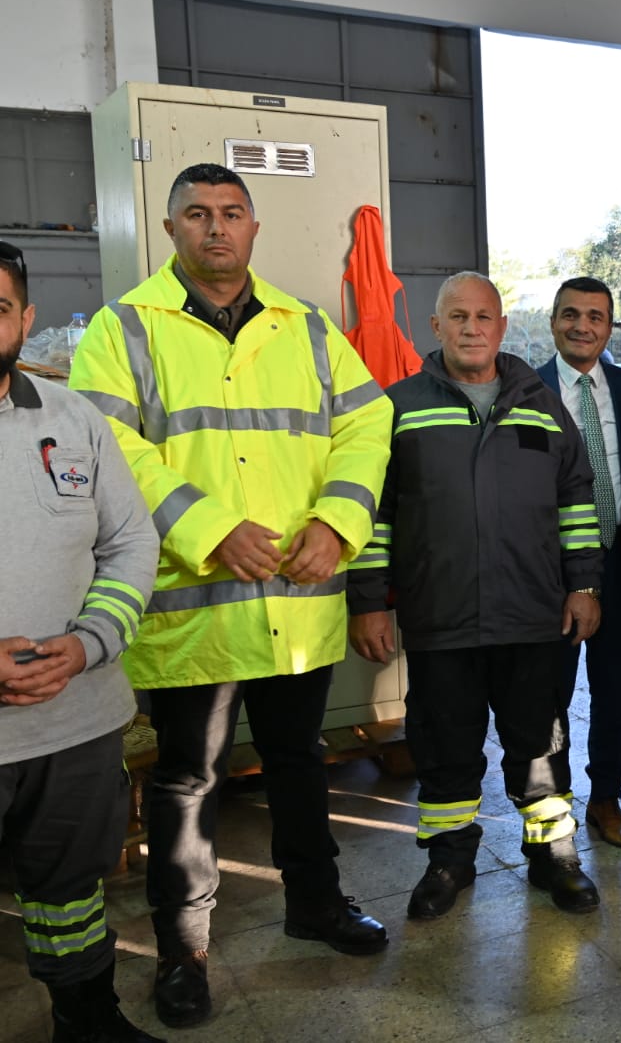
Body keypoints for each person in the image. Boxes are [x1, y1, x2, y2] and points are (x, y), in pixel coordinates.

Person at [68, 163, 394, 1029]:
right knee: (187, 781)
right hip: (195, 608)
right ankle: (184, 951)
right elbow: (108, 441)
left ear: (254, 227)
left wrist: (337, 521)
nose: (217, 228)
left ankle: (315, 904)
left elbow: (367, 421)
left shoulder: (306, 325)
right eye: (198, 214)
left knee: (299, 759)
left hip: (295, 601)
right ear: (171, 229)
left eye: (233, 213)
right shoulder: (124, 326)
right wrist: (208, 526)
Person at [348, 272, 604, 916]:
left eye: (483, 317)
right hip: (442, 616)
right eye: (457, 317)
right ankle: (449, 859)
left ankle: (553, 855)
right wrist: (369, 600)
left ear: (502, 326)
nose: (471, 328)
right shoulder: (397, 407)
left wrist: (583, 584)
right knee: (444, 743)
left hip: (532, 614)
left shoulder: (542, 404)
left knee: (540, 741)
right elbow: (375, 514)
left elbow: (575, 499)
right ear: (435, 326)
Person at [0, 242, 163, 1042]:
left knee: (69, 892)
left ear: (24, 320)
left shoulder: (73, 421)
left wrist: (91, 641)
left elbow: (131, 542)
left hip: (75, 723)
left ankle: (89, 1020)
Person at [534, 276, 621, 847]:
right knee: (550, 694)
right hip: (549, 568)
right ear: (554, 322)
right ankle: (552, 805)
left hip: (618, 558)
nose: (582, 326)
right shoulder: (525, 390)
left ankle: (606, 797)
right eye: (571, 314)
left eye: (595, 316)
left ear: (609, 326)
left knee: (612, 688)